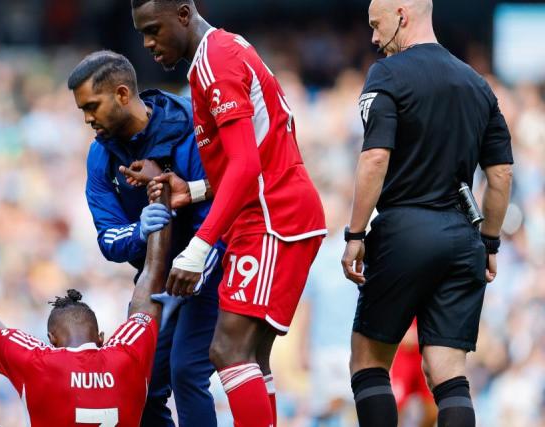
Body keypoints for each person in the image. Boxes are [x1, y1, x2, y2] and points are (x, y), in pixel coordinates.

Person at [132, 1, 328, 425]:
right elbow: (249, 156)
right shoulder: (223, 50)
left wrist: (198, 247)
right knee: (252, 357)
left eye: (153, 29)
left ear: (183, 15)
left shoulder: (215, 61)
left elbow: (246, 166)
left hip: (273, 216)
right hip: (274, 211)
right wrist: (197, 189)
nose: (148, 43)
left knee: (227, 350)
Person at [339, 1, 514, 426]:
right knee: (447, 374)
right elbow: (502, 174)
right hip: (463, 240)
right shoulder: (479, 86)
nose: (375, 39)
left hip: (404, 231)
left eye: (377, 26)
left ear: (401, 14)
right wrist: (489, 241)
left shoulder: (387, 76)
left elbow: (375, 158)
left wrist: (355, 235)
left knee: (369, 363)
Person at [0, 187, 174, 427]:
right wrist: (160, 197)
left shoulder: (37, 362)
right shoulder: (127, 355)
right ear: (100, 338)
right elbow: (151, 278)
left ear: (51, 340)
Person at [68, 50, 222, 426]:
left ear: (122, 94)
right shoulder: (100, 156)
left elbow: (223, 206)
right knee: (139, 386)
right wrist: (141, 229)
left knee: (187, 372)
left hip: (214, 265)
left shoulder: (191, 126)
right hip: (159, 278)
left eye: (92, 106)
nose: (87, 118)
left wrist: (195, 260)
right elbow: (109, 239)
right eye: (82, 110)